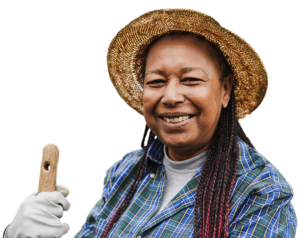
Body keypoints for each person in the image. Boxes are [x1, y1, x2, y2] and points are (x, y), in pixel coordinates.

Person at [2, 8, 297, 238]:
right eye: (156, 81)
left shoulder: (262, 194)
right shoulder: (124, 172)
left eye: (190, 79)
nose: (170, 96)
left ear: (225, 90)